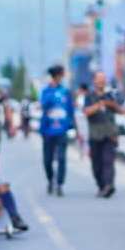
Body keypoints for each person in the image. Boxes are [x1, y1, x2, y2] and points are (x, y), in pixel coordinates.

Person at [83, 71, 124, 198]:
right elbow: (86, 112)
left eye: (103, 79)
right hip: (95, 134)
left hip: (110, 134)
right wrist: (99, 105)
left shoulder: (110, 95)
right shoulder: (89, 96)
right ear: (94, 81)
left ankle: (109, 185)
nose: (101, 81)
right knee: (96, 164)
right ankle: (101, 185)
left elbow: (121, 110)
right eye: (99, 79)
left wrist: (110, 104)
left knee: (108, 161)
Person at [39, 64, 74, 196]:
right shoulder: (46, 91)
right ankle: (50, 179)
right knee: (47, 160)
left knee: (61, 158)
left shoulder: (65, 92)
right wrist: (52, 90)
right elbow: (44, 105)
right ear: (56, 76)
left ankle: (59, 184)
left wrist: (71, 125)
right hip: (48, 130)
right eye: (60, 75)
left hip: (62, 130)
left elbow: (70, 110)